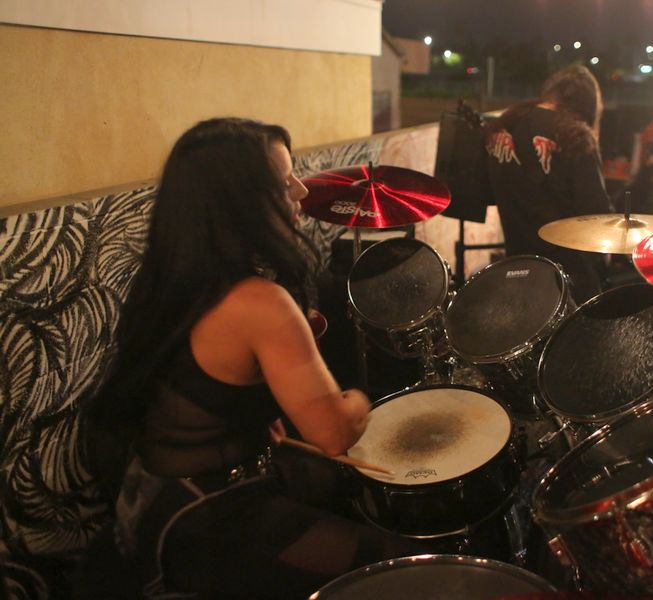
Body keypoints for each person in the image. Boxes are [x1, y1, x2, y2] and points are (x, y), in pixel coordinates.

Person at [88, 118, 419, 598]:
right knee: (404, 570)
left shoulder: (169, 277)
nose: (302, 190)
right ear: (239, 200)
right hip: (209, 520)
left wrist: (253, 411)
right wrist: (360, 400)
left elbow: (200, 383)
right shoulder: (259, 303)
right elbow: (333, 435)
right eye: (284, 182)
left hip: (153, 499)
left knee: (341, 493)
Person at [485, 64, 613, 303]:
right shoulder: (576, 135)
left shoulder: (505, 124)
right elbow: (597, 213)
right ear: (586, 104)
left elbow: (487, 191)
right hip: (566, 281)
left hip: (516, 269)